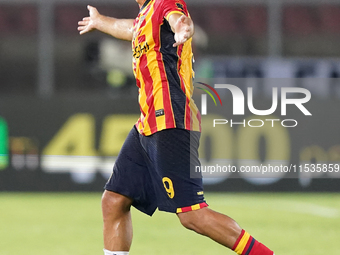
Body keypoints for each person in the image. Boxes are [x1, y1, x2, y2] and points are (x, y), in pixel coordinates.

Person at [78, 1, 275, 255]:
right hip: (148, 124)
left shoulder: (164, 3)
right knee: (115, 199)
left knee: (193, 216)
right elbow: (130, 28)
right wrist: (100, 21)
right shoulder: (145, 15)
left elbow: (179, 18)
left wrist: (183, 28)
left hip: (171, 118)